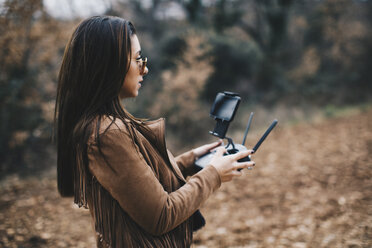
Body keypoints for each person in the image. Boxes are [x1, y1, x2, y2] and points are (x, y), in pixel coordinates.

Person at [54, 15, 255, 248]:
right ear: (110, 65)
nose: (145, 69)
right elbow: (161, 215)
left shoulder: (99, 126)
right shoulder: (108, 133)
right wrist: (213, 175)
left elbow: (137, 190)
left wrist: (191, 161)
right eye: (138, 59)